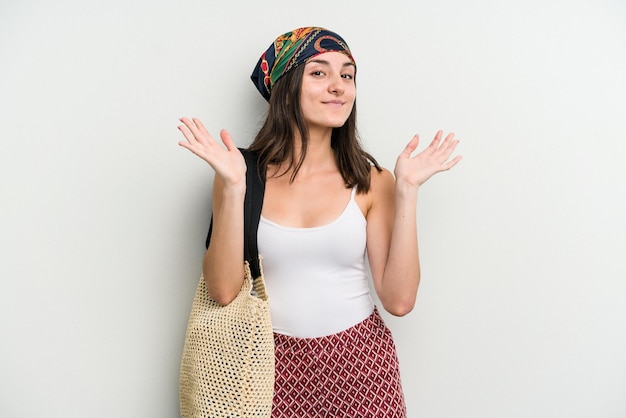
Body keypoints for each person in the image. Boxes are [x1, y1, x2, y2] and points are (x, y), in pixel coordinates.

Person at [177, 26, 461, 418]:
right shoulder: (242, 173)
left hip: (361, 363)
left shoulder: (372, 181)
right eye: (319, 72)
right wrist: (231, 188)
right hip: (266, 367)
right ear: (285, 87)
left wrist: (408, 189)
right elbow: (223, 291)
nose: (338, 86)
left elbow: (398, 300)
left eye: (347, 75)